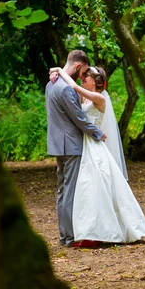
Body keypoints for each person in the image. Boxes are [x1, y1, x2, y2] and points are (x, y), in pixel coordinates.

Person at [49, 65, 145, 246]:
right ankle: (88, 230)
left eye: (86, 77)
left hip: (94, 145)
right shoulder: (84, 98)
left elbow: (73, 86)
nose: (83, 79)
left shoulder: (98, 98)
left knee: (96, 184)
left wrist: (59, 69)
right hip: (83, 144)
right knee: (86, 189)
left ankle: (104, 231)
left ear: (96, 81)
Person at [45, 50, 107, 248]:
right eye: (84, 72)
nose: (83, 77)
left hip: (57, 144)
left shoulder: (51, 84)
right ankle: (70, 237)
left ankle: (65, 236)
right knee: (69, 191)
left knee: (63, 191)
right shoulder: (66, 89)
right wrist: (98, 133)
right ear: (79, 66)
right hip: (71, 145)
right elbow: (79, 119)